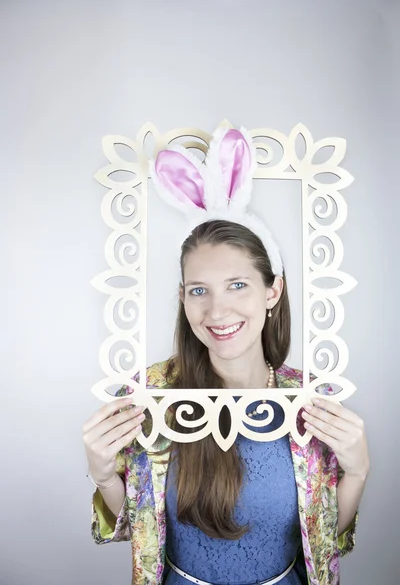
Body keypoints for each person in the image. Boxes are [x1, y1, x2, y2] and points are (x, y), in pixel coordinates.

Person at [83, 129, 370, 585]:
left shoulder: (311, 398)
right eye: (199, 291)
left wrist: (356, 470)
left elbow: (323, 542)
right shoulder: (149, 395)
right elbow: (144, 534)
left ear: (272, 290)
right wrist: (104, 477)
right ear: (183, 297)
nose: (217, 311)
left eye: (238, 285)